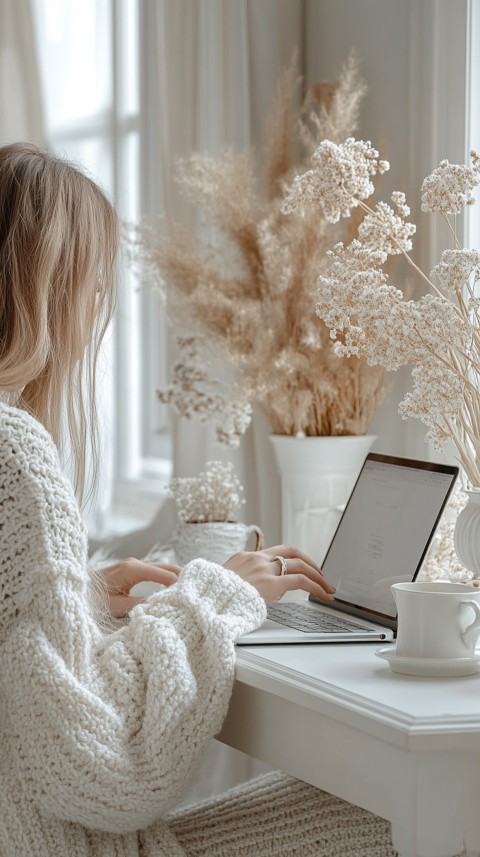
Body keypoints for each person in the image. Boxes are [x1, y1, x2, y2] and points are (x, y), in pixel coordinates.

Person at [0, 142, 396, 857]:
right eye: (95, 285)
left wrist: (78, 593)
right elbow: (104, 769)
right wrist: (217, 590)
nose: (98, 309)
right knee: (399, 814)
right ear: (51, 290)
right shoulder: (15, 456)